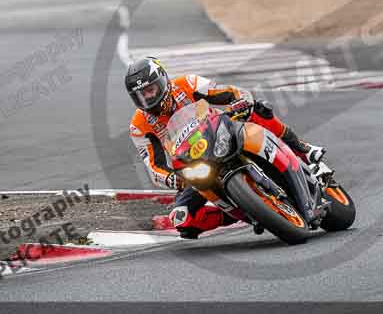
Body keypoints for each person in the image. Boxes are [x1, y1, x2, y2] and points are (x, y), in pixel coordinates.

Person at [127, 56, 325, 238]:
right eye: (140, 96)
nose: (147, 99)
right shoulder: (139, 126)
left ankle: (302, 149)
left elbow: (227, 92)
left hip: (222, 134)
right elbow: (154, 166)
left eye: (150, 91)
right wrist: (173, 179)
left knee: (259, 109)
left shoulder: (187, 84)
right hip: (194, 166)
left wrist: (239, 101)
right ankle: (240, 212)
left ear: (162, 81)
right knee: (183, 220)